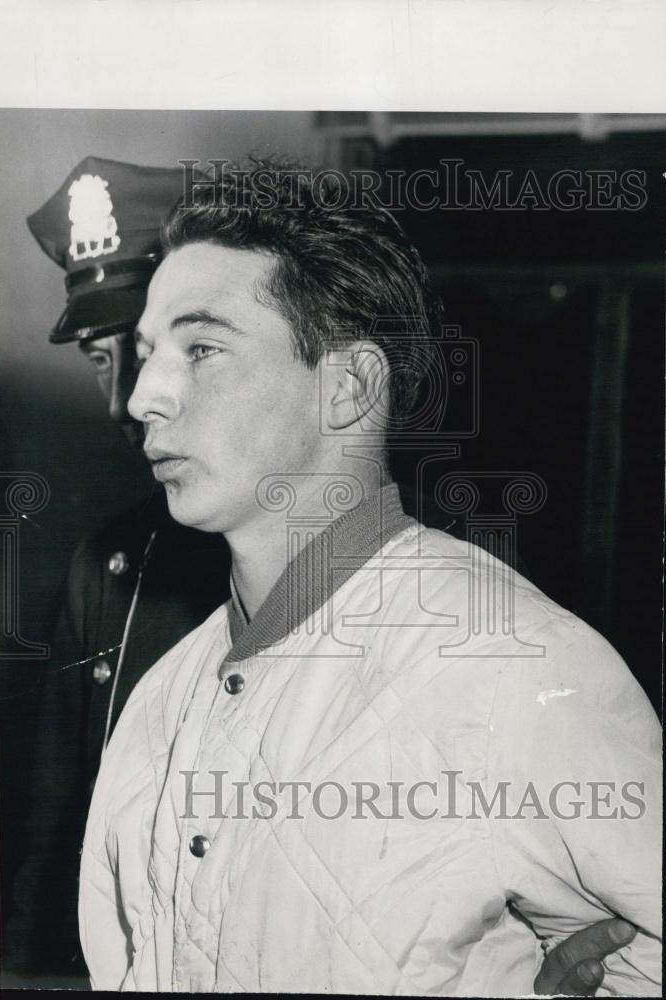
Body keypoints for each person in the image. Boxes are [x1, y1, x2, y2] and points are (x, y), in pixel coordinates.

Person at [78, 159, 661, 994]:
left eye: (202, 348)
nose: (144, 398)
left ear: (348, 387)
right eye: (146, 353)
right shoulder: (159, 703)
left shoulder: (520, 670)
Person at [5, 157, 230, 978]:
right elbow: (55, 839)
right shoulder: (110, 565)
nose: (124, 406)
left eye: (149, 354)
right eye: (105, 361)